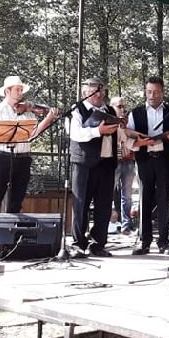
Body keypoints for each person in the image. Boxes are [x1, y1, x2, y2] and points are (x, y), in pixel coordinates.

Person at [0, 75, 58, 219]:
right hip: (2, 156)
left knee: (17, 200)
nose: (21, 93)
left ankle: (12, 230)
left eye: (21, 89)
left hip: (23, 158)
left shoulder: (28, 112)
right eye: (18, 89)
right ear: (7, 91)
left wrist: (48, 119)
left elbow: (33, 133)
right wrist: (1, 137)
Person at [67, 77, 118, 257]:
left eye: (101, 91)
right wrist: (98, 131)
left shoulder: (109, 110)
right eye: (94, 91)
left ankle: (98, 244)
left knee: (104, 205)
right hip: (84, 163)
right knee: (81, 203)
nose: (98, 94)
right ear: (85, 92)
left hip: (106, 162)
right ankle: (78, 244)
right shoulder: (77, 109)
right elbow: (75, 133)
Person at [129, 77, 169, 255]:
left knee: (164, 200)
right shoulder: (135, 113)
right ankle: (145, 241)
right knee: (145, 200)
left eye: (156, 92)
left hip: (165, 160)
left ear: (162, 92)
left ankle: (164, 242)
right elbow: (128, 139)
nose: (152, 95)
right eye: (149, 91)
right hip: (144, 160)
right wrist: (140, 142)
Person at [109, 96, 136, 236]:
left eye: (124, 107)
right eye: (119, 106)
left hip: (128, 160)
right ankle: (108, 223)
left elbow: (133, 137)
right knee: (108, 193)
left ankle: (126, 225)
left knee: (127, 195)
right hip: (113, 161)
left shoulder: (129, 121)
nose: (122, 109)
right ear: (112, 107)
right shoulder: (108, 122)